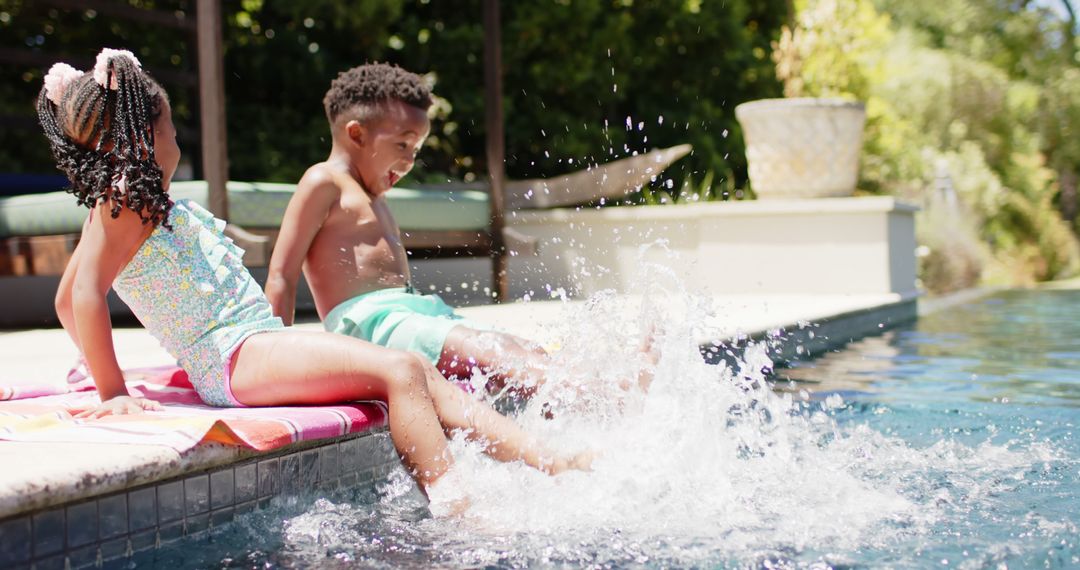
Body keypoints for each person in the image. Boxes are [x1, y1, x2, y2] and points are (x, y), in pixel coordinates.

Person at [39, 49, 588, 497]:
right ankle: (457, 508)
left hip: (246, 350)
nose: (177, 140)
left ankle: (549, 461)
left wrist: (96, 365)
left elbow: (67, 300)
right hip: (234, 354)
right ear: (142, 137)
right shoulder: (122, 203)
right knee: (400, 369)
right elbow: (86, 293)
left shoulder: (123, 202)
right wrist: (111, 390)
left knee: (414, 368)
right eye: (170, 129)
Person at [265, 63, 656, 402]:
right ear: (356, 134)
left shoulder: (372, 193)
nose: (410, 159)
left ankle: (601, 388)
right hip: (375, 325)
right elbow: (282, 273)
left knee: (512, 347)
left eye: (416, 148)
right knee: (488, 351)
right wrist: (275, 361)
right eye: (402, 144)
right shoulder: (324, 181)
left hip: (412, 313)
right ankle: (609, 392)